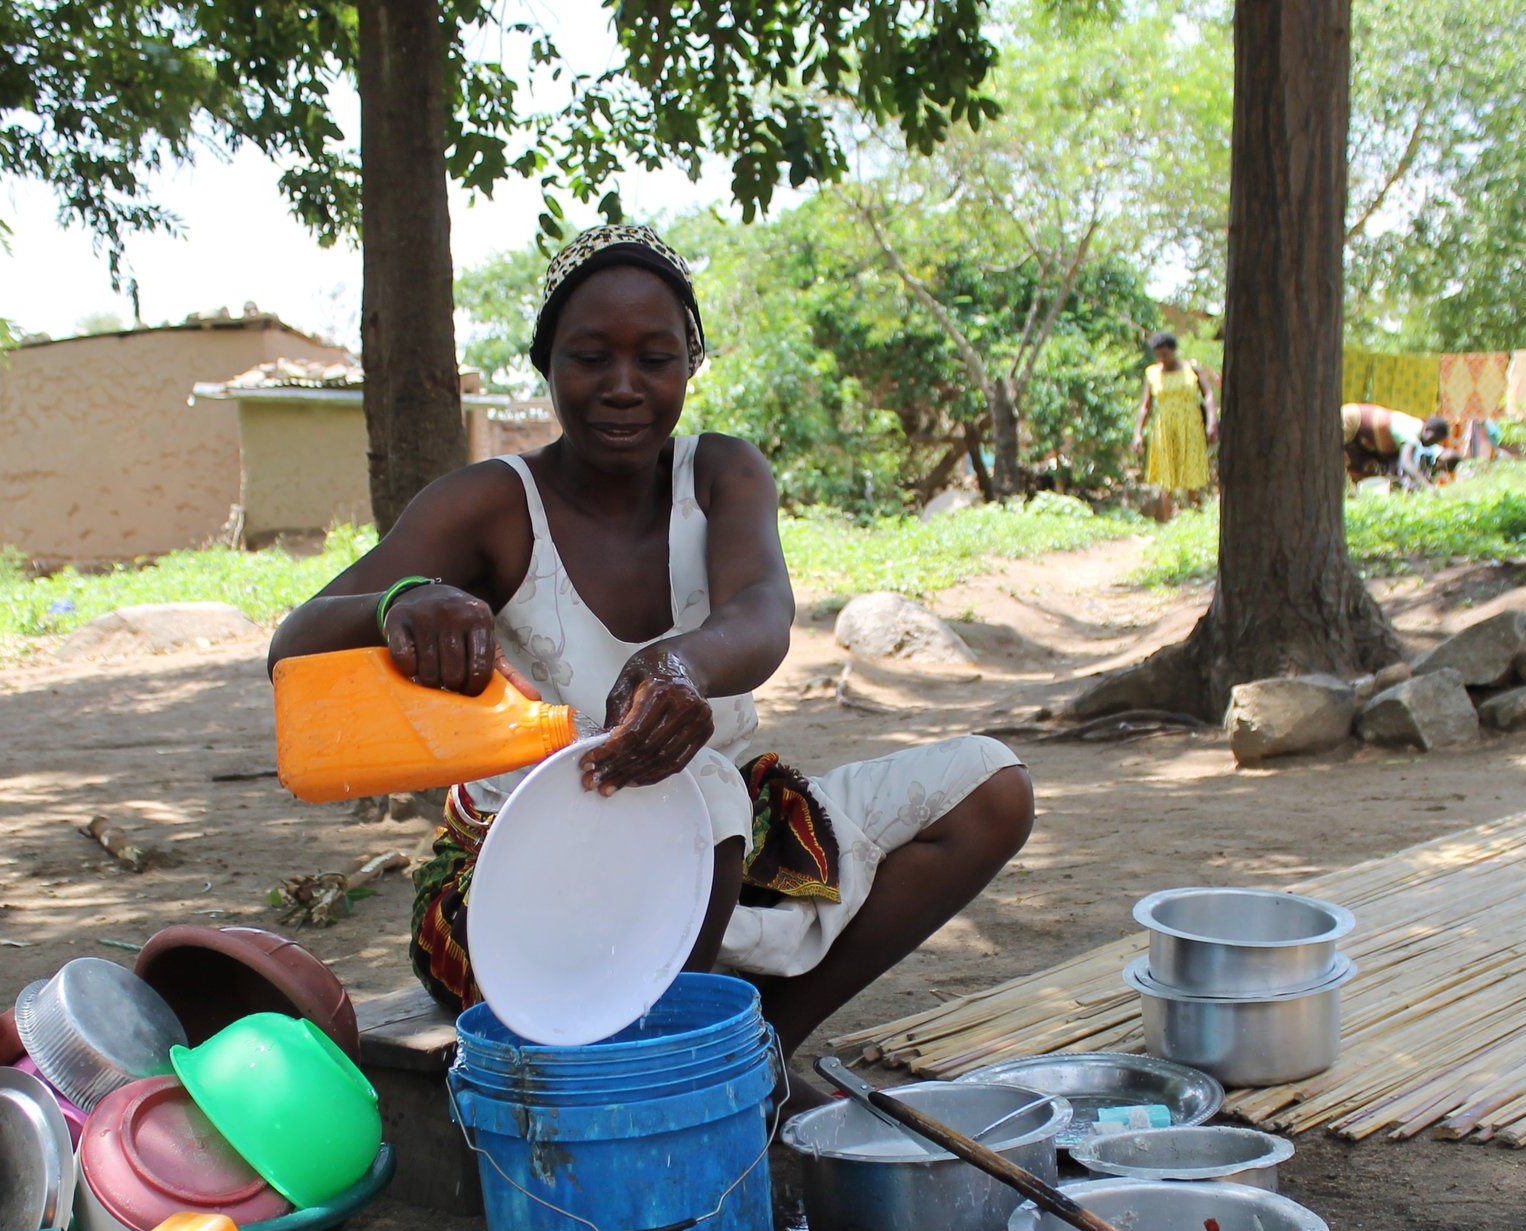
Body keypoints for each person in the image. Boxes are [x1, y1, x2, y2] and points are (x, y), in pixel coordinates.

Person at [265, 225, 1032, 1107]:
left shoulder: (721, 475)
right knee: (697, 790)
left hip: (722, 847)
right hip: (528, 891)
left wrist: (680, 664)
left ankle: (753, 1058)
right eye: (590, 357)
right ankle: (651, 1079)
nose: (622, 387)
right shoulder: (492, 504)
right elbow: (295, 641)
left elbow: (762, 613)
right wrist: (400, 601)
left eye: (655, 358)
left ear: (690, 365)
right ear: (546, 364)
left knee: (990, 785)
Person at [1130, 331, 1214, 520]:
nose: (1163, 359)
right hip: (1164, 426)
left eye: (1166, 354)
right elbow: (1146, 405)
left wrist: (1212, 423)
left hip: (1190, 424)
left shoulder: (1191, 369)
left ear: (1174, 351)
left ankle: (1196, 519)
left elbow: (1208, 395)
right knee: (1166, 475)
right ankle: (1168, 522)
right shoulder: (1152, 373)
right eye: (1158, 355)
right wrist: (1138, 434)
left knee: (1192, 472)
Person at [1342, 403, 1450, 488]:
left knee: (1375, 467)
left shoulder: (1412, 425)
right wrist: (1427, 485)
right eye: (1435, 439)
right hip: (1351, 421)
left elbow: (1395, 463)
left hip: (1355, 422)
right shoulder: (1413, 431)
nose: (1432, 444)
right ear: (1428, 431)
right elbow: (1407, 463)